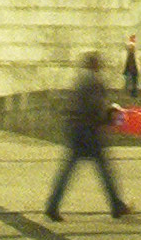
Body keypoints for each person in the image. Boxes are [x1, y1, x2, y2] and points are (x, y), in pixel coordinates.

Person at [45, 53, 130, 221]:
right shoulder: (94, 82)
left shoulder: (81, 80)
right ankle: (116, 206)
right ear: (95, 65)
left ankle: (52, 205)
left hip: (77, 130)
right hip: (88, 132)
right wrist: (109, 116)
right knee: (104, 170)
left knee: (70, 171)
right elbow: (95, 107)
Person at [123, 34, 140, 98]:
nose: (131, 48)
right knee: (128, 81)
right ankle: (127, 92)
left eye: (132, 47)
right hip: (128, 69)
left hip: (134, 70)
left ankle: (134, 93)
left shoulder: (136, 54)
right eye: (130, 47)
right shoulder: (127, 54)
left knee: (134, 82)